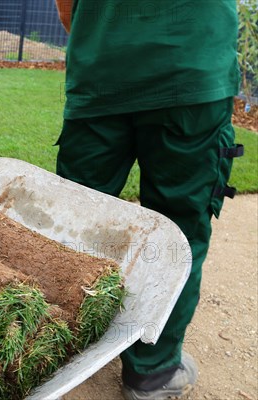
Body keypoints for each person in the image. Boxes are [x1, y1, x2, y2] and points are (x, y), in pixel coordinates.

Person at [53, 1, 243, 399]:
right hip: (191, 65)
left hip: (103, 63)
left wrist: (109, 35)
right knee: (180, 227)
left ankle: (54, 347)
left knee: (74, 225)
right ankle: (152, 372)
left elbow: (66, 8)